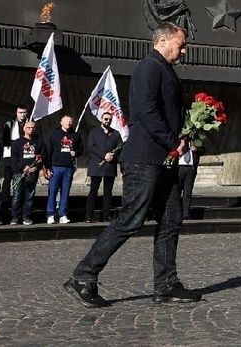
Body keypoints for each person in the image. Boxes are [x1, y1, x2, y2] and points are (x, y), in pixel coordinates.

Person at [66, 22, 201, 308]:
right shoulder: (148, 68)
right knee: (131, 219)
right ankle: (83, 274)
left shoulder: (166, 70)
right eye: (181, 44)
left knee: (170, 220)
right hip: (144, 159)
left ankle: (165, 285)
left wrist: (185, 134)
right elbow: (145, 112)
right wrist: (171, 141)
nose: (184, 50)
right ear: (163, 41)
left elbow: (167, 112)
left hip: (163, 160)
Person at [42, 114, 82, 224]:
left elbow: (81, 148)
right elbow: (48, 151)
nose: (69, 123)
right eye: (66, 121)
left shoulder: (75, 135)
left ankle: (62, 214)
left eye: (70, 121)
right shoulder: (54, 134)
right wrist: (48, 167)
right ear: (61, 122)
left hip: (69, 167)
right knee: (53, 191)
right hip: (56, 166)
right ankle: (50, 214)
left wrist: (76, 152)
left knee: (65, 192)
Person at [84, 112, 122, 222]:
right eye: (105, 119)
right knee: (93, 191)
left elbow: (120, 146)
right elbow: (91, 146)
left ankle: (106, 215)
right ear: (101, 119)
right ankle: (89, 215)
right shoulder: (94, 132)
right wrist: (104, 155)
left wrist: (112, 155)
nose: (107, 121)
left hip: (110, 166)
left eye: (109, 119)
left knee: (108, 192)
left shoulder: (116, 133)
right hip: (97, 166)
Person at [0, 106, 30, 217]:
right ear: (16, 113)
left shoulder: (30, 124)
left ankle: (20, 203)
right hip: (10, 155)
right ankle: (5, 202)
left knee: (23, 179)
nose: (22, 115)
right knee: (8, 179)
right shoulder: (10, 124)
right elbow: (5, 140)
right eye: (20, 112)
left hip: (25, 156)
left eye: (24, 112)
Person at [9, 121, 41, 225]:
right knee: (17, 196)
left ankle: (26, 217)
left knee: (29, 196)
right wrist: (22, 167)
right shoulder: (17, 143)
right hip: (19, 173)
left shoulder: (39, 143)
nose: (31, 129)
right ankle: (15, 217)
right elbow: (13, 159)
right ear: (24, 129)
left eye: (33, 128)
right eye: (29, 127)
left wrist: (36, 167)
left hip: (32, 174)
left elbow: (42, 158)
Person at [176, 145, 199, 220]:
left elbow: (203, 150)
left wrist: (196, 149)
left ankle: (185, 213)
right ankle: (176, 213)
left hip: (190, 168)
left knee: (187, 192)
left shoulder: (194, 140)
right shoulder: (177, 139)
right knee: (176, 191)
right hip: (179, 167)